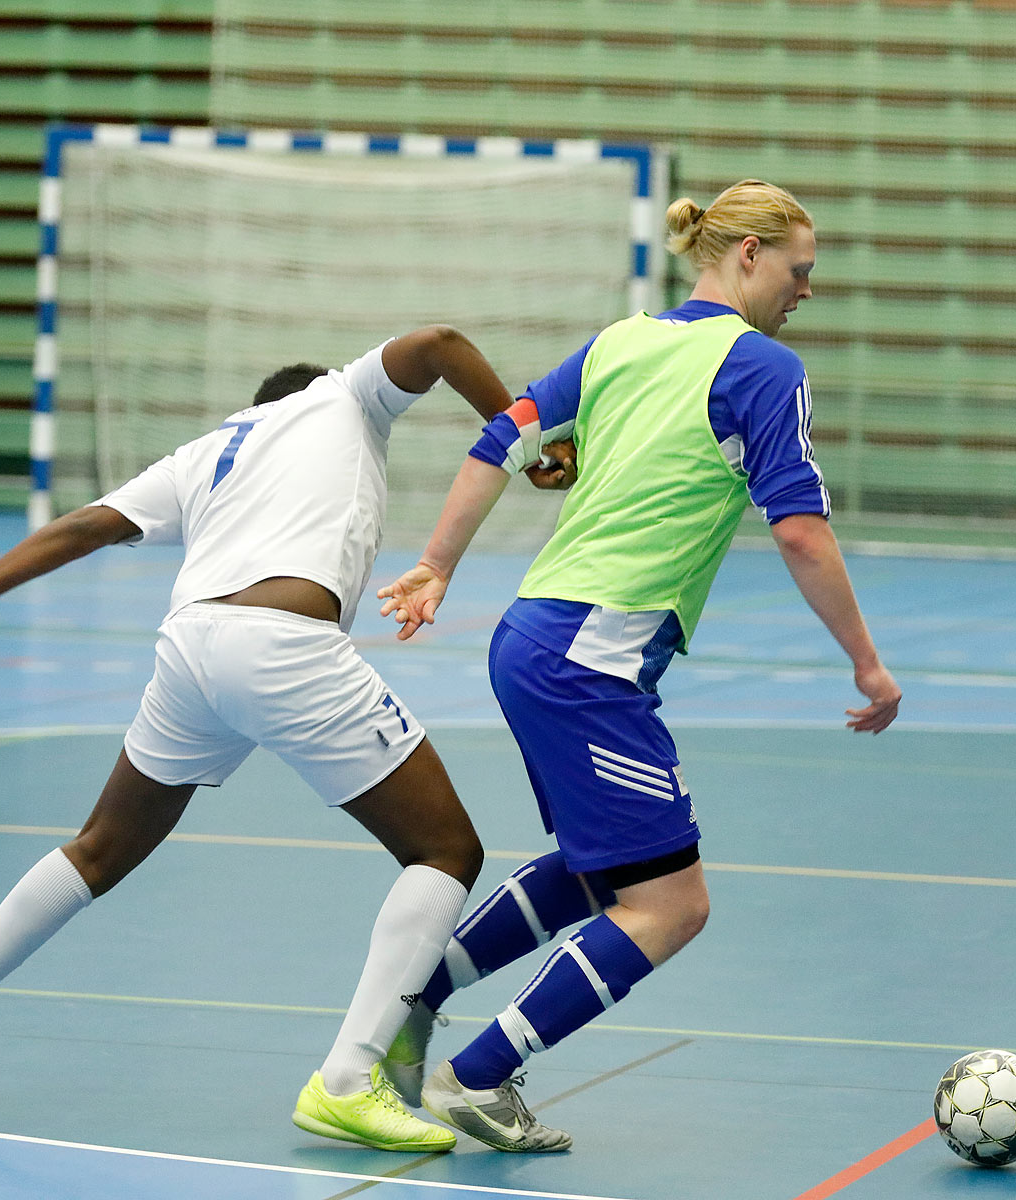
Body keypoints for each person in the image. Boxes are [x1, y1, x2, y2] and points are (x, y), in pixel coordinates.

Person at [0, 326, 573, 1153]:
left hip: (190, 650)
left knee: (96, 850)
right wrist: (527, 439)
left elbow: (82, 528)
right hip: (284, 644)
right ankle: (348, 1078)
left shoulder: (209, 452)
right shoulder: (340, 395)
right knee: (446, 851)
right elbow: (442, 342)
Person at [376, 181, 902, 1152]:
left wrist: (437, 564)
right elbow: (800, 533)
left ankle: (402, 1010)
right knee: (672, 902)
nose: (807, 290)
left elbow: (505, 436)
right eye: (801, 270)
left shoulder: (621, 341)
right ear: (747, 254)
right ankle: (474, 1075)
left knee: (596, 867)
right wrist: (868, 665)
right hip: (588, 657)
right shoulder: (762, 369)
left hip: (535, 632)